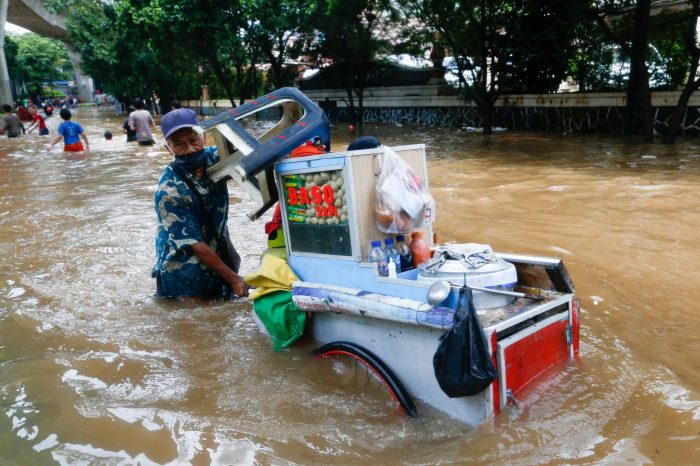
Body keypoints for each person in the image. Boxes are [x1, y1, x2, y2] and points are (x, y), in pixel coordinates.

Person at [152, 108, 248, 299]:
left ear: (204, 137)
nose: (189, 149)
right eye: (179, 145)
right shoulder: (168, 190)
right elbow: (194, 243)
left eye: (193, 140)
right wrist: (234, 278)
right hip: (183, 276)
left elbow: (253, 155)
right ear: (168, 148)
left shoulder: (215, 160)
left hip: (218, 260)